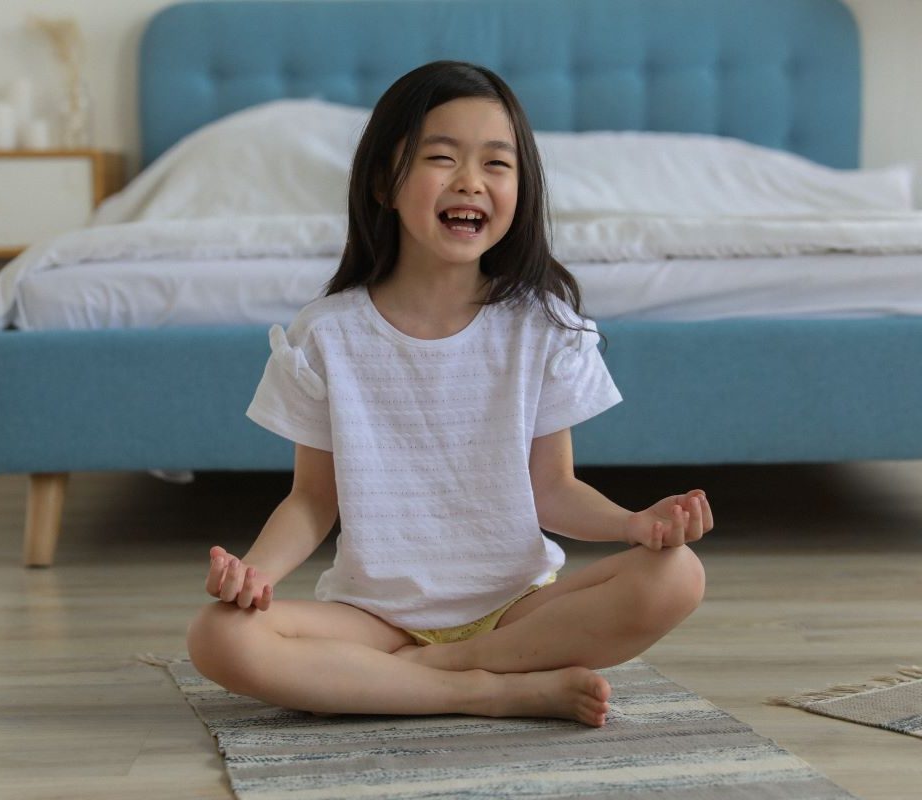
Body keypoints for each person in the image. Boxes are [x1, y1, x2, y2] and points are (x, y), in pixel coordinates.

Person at [186, 61, 711, 727]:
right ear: (385, 181)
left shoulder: (540, 325)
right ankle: (492, 691)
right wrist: (256, 575)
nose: (471, 182)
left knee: (677, 574)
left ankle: (433, 674)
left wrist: (634, 525)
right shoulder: (327, 334)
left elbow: (553, 491)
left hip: (516, 606)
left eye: (497, 163)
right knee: (218, 635)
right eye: (441, 157)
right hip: (373, 618)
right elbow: (314, 500)